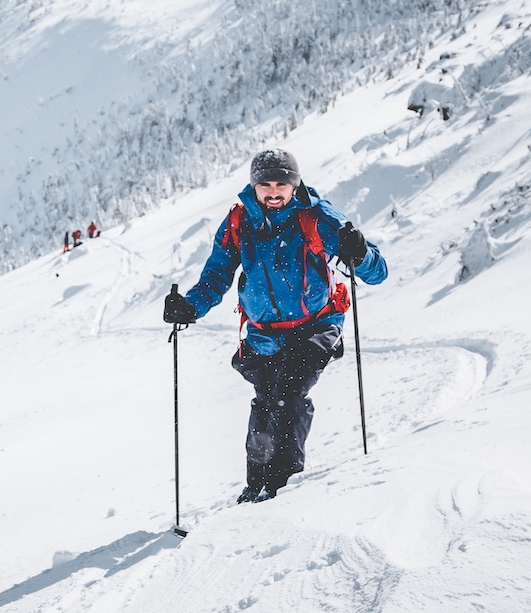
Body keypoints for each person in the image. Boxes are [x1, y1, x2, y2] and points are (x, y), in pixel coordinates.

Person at [164, 149, 388, 503]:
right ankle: (255, 485)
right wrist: (190, 307)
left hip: (316, 326)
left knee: (288, 396)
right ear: (254, 186)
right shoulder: (240, 222)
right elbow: (217, 275)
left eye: (281, 184)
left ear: (294, 184)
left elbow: (377, 271)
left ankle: (281, 490)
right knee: (265, 404)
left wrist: (359, 252)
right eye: (265, 184)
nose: (273, 192)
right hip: (264, 334)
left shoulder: (315, 217)